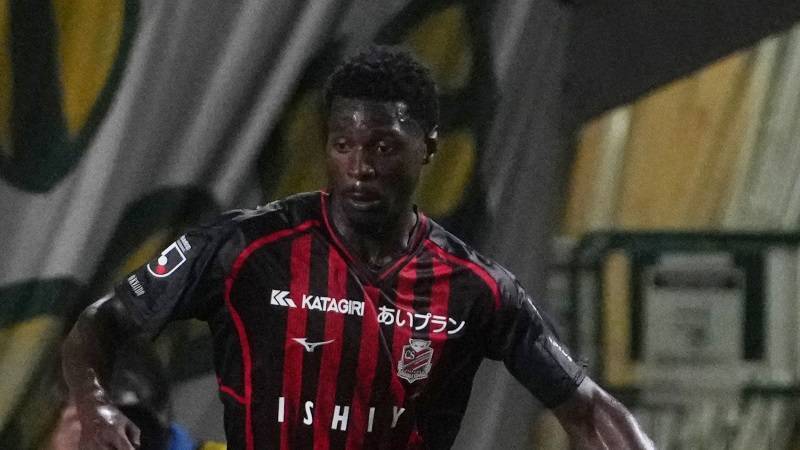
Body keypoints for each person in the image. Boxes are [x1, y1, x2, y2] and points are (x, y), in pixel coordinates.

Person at [63, 46, 654, 450]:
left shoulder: (478, 289)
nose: (360, 166)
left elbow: (587, 408)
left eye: (382, 146)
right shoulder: (244, 247)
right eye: (343, 145)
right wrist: (95, 406)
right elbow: (101, 324)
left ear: (428, 147)